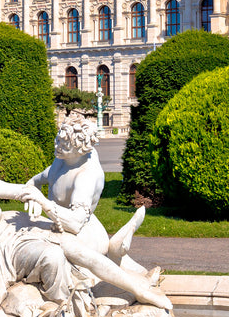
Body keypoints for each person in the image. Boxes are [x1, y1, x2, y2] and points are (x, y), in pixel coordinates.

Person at [0, 153, 170, 310]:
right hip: (7, 253)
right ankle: (68, 306)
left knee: (76, 248)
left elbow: (22, 190)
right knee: (52, 257)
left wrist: (35, 198)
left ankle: (138, 288)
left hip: (19, 228)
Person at [22, 118, 150, 275]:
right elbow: (37, 180)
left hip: (85, 238)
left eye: (64, 143)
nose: (57, 146)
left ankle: (122, 264)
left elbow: (75, 223)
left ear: (80, 147)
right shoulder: (62, 160)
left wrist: (42, 201)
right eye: (58, 139)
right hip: (59, 230)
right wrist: (29, 193)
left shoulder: (86, 176)